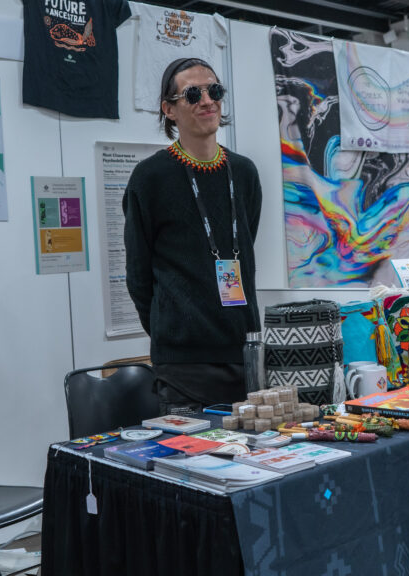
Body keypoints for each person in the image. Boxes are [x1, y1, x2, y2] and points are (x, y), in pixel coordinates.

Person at [123, 57, 263, 414]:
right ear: (169, 109)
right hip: (183, 368)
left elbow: (246, 247)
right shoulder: (150, 178)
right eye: (192, 94)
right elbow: (138, 276)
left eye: (214, 90)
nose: (207, 100)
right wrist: (172, 331)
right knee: (191, 452)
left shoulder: (244, 173)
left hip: (245, 353)